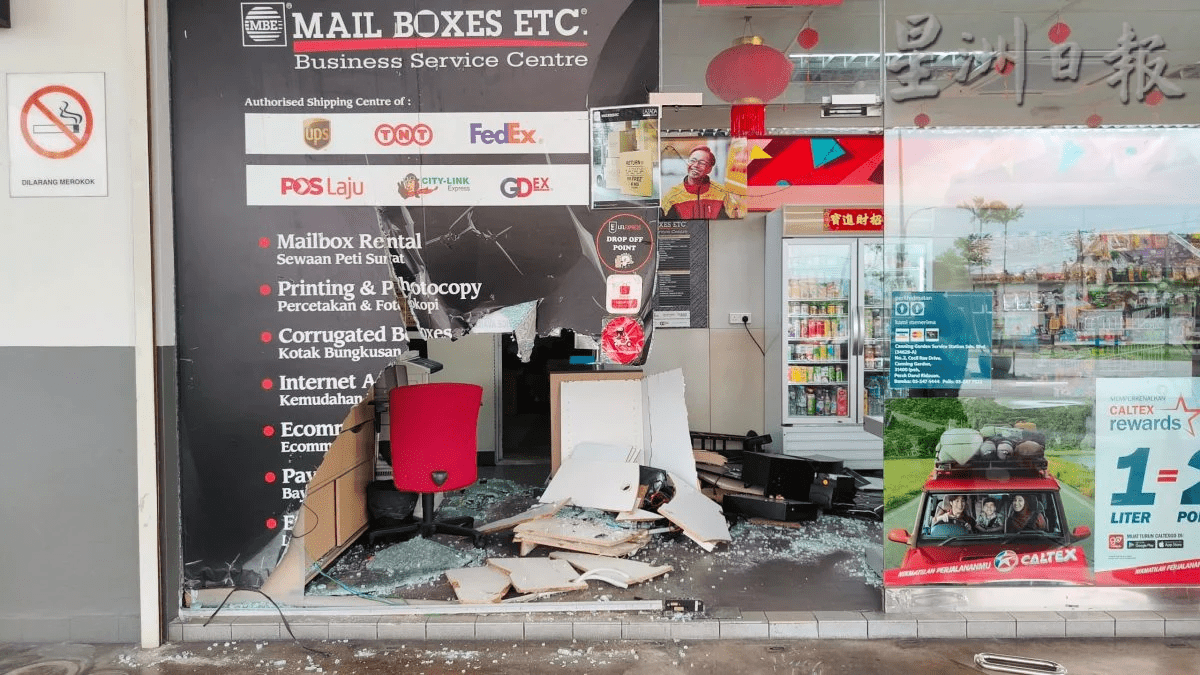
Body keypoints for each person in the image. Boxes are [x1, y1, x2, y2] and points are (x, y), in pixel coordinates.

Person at [661, 146, 745, 220]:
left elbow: (735, 222)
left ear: (709, 169)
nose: (695, 165)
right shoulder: (671, 195)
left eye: (702, 163)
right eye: (692, 160)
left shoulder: (723, 194)